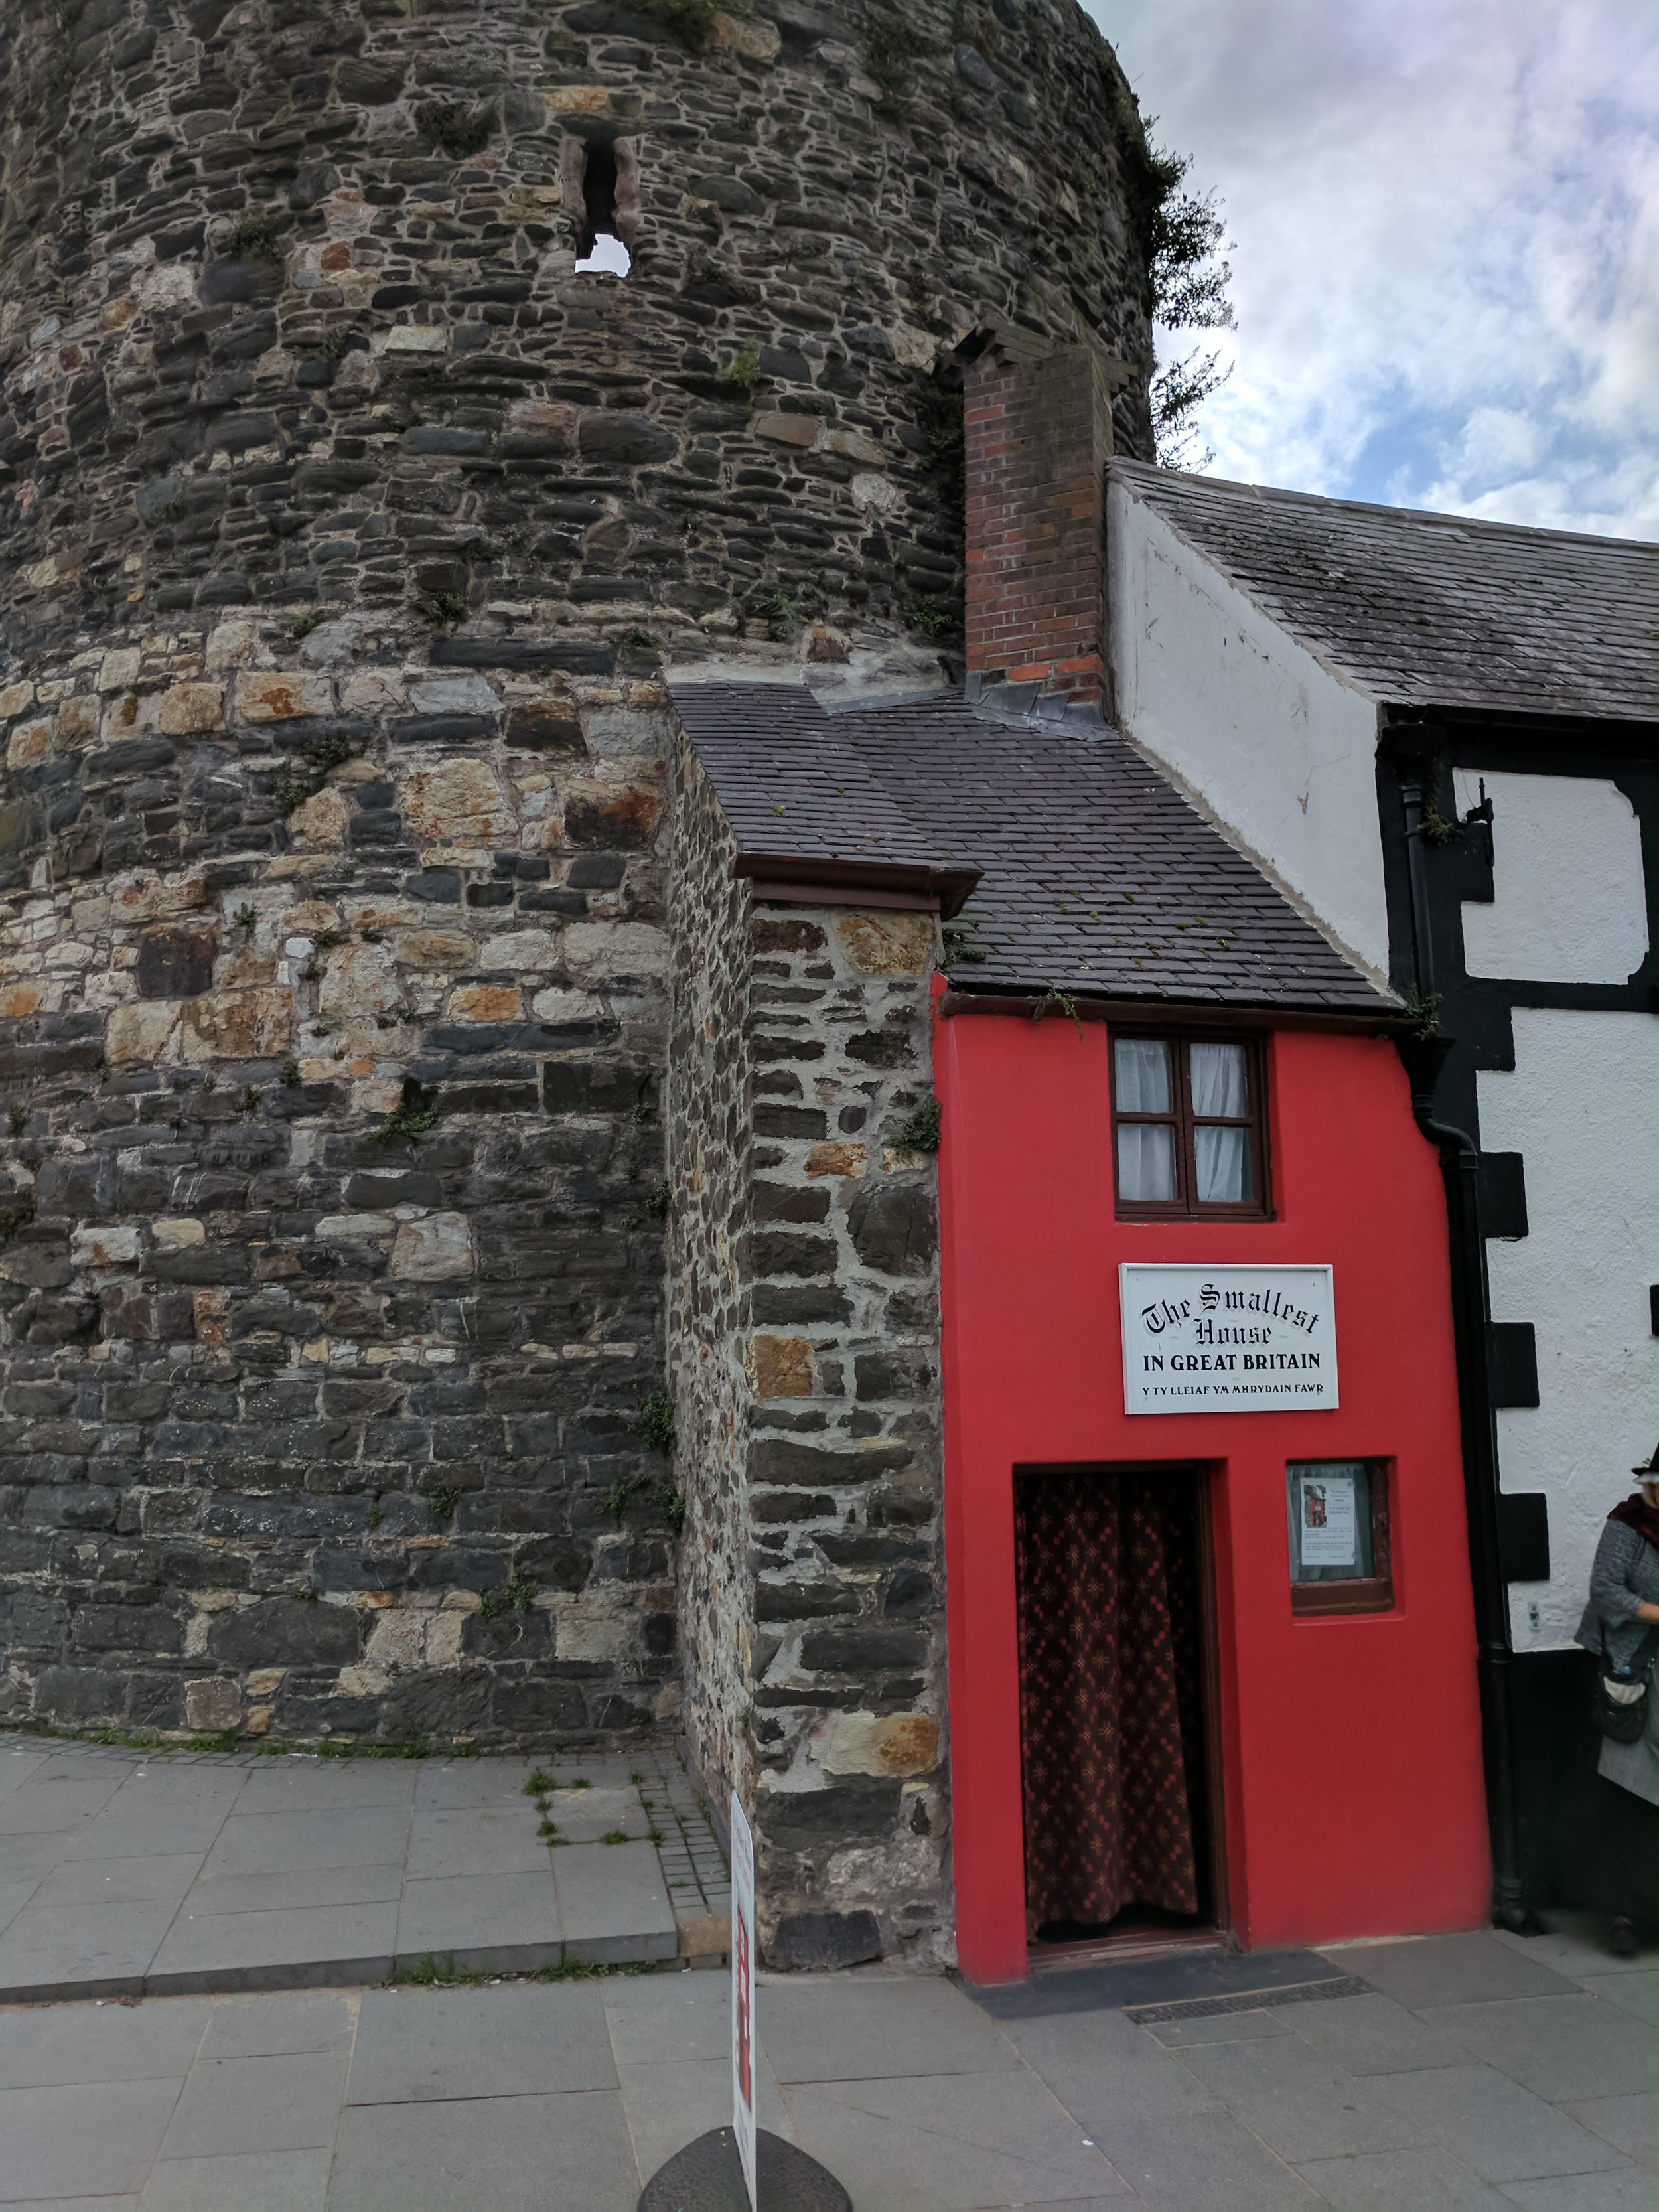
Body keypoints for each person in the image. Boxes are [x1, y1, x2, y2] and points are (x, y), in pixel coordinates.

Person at [1574, 1442, 1659, 1956]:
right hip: (1630, 1672)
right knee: (1631, 1793)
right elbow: (1607, 1592)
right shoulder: (1628, 1526)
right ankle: (1624, 1916)